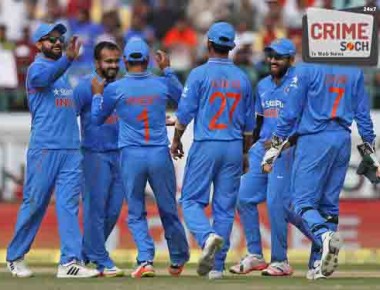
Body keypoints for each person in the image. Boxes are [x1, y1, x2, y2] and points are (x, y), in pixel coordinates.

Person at [262, 62, 378, 279]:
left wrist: (276, 144)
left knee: (302, 202)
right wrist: (371, 152)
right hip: (342, 139)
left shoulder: (306, 69)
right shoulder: (354, 71)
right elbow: (363, 115)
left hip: (314, 139)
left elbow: (290, 112)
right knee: (328, 206)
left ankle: (325, 236)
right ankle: (318, 263)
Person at [6, 22, 99, 278]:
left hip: (70, 149)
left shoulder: (64, 74)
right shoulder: (37, 68)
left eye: (60, 38)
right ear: (39, 44)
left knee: (69, 205)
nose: (57, 42)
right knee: (34, 203)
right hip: (45, 148)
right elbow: (43, 79)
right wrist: (68, 60)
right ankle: (15, 257)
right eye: (50, 39)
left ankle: (69, 261)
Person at [91, 38, 189, 278]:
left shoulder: (116, 88)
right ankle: (178, 259)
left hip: (131, 155)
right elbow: (185, 103)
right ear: (147, 60)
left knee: (136, 211)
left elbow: (97, 118)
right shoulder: (161, 84)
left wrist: (96, 96)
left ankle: (146, 259)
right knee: (168, 208)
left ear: (125, 61)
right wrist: (167, 69)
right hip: (158, 153)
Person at [171, 22, 255, 280]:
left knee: (190, 201)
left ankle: (207, 237)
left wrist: (176, 140)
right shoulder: (243, 78)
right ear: (230, 47)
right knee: (224, 208)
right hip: (232, 147)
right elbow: (249, 126)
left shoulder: (198, 75)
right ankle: (217, 267)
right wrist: (244, 154)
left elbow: (184, 115)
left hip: (207, 143)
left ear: (208, 44)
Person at [230, 38, 316, 276]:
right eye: (270, 55)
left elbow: (306, 122)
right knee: (243, 197)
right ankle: (256, 255)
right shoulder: (264, 85)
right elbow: (259, 123)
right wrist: (249, 150)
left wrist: (286, 144)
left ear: (291, 59)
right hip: (261, 150)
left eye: (278, 56)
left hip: (286, 151)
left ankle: (281, 260)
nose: (272, 60)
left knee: (276, 205)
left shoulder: (299, 83)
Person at [73, 41, 124, 277]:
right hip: (95, 154)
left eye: (116, 61)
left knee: (113, 210)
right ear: (97, 63)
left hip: (120, 155)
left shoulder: (123, 87)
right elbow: (67, 117)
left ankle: (84, 255)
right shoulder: (86, 87)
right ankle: (102, 259)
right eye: (108, 61)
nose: (113, 66)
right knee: (96, 210)